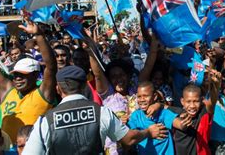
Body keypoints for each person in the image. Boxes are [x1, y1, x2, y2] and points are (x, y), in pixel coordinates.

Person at [23, 65, 167, 155]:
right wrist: (148, 131)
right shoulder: (101, 112)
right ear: (85, 87)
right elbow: (129, 139)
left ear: (58, 89)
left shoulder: (45, 121)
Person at [0, 16, 57, 142]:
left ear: (35, 75)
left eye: (23, 75)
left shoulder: (43, 94)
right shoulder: (7, 91)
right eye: (16, 75)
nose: (18, 78)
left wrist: (39, 36)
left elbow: (51, 67)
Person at [127, 81, 192, 155]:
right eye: (139, 96)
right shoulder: (135, 116)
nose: (142, 99)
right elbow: (131, 136)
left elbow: (178, 123)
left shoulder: (162, 113)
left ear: (154, 97)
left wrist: (184, 123)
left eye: (145, 96)